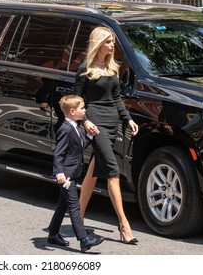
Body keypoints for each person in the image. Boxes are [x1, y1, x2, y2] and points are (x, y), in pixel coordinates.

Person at [74, 26, 139, 244]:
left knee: (94, 170)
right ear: (99, 43)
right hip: (96, 122)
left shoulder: (112, 67)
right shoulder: (85, 69)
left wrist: (128, 119)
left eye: (112, 42)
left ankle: (78, 217)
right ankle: (124, 224)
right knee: (112, 171)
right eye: (109, 42)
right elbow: (77, 101)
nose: (112, 46)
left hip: (112, 122)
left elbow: (117, 98)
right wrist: (86, 121)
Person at [47, 95, 104, 252]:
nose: (84, 111)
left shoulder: (76, 127)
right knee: (74, 205)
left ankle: (52, 234)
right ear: (72, 111)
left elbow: (79, 146)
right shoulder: (65, 129)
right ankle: (84, 239)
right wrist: (59, 172)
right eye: (82, 108)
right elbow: (58, 154)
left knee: (63, 205)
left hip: (73, 172)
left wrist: (91, 136)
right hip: (66, 175)